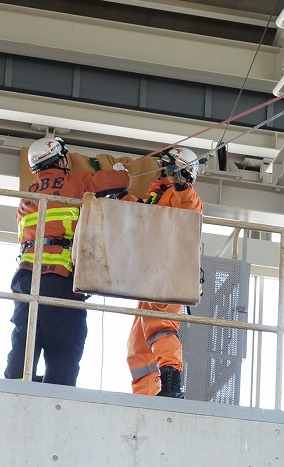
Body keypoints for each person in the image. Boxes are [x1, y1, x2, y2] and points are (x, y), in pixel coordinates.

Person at [5, 135, 133, 385]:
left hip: (25, 278)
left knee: (25, 335)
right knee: (65, 342)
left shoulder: (27, 197)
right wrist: (120, 171)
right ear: (60, 159)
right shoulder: (75, 183)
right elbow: (120, 181)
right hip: (59, 277)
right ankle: (57, 392)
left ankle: (14, 386)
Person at [125, 146, 205, 399]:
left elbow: (191, 211)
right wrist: (116, 194)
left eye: (166, 166)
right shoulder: (155, 195)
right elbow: (139, 214)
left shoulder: (179, 194)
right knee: (138, 346)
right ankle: (146, 395)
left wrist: (181, 185)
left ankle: (171, 386)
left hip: (168, 272)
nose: (160, 170)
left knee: (160, 328)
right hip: (152, 274)